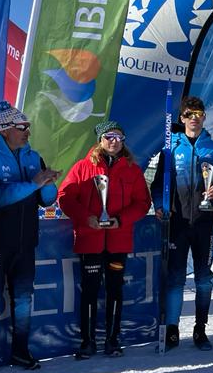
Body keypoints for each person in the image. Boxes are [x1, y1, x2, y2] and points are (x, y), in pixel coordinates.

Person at [0, 101, 61, 373]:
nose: (27, 132)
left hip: (25, 241)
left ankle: (21, 349)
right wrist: (33, 184)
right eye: (22, 127)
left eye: (29, 127)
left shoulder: (33, 156)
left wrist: (49, 183)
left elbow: (47, 201)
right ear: (5, 130)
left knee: (23, 298)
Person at [58, 121, 151, 359]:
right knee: (89, 290)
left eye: (119, 136)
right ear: (100, 140)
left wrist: (122, 220)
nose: (114, 141)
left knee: (115, 289)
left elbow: (143, 203)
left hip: (118, 241)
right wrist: (86, 218)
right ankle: (87, 342)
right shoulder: (83, 168)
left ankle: (112, 339)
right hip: (91, 239)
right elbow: (65, 198)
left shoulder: (132, 169)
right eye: (109, 136)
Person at [152, 96, 213, 351]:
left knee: (204, 279)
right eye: (189, 114)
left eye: (199, 113)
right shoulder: (170, 148)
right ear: (182, 119)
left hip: (205, 222)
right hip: (178, 223)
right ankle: (172, 330)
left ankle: (200, 329)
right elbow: (158, 184)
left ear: (204, 117)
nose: (194, 118)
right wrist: (160, 205)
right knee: (175, 279)